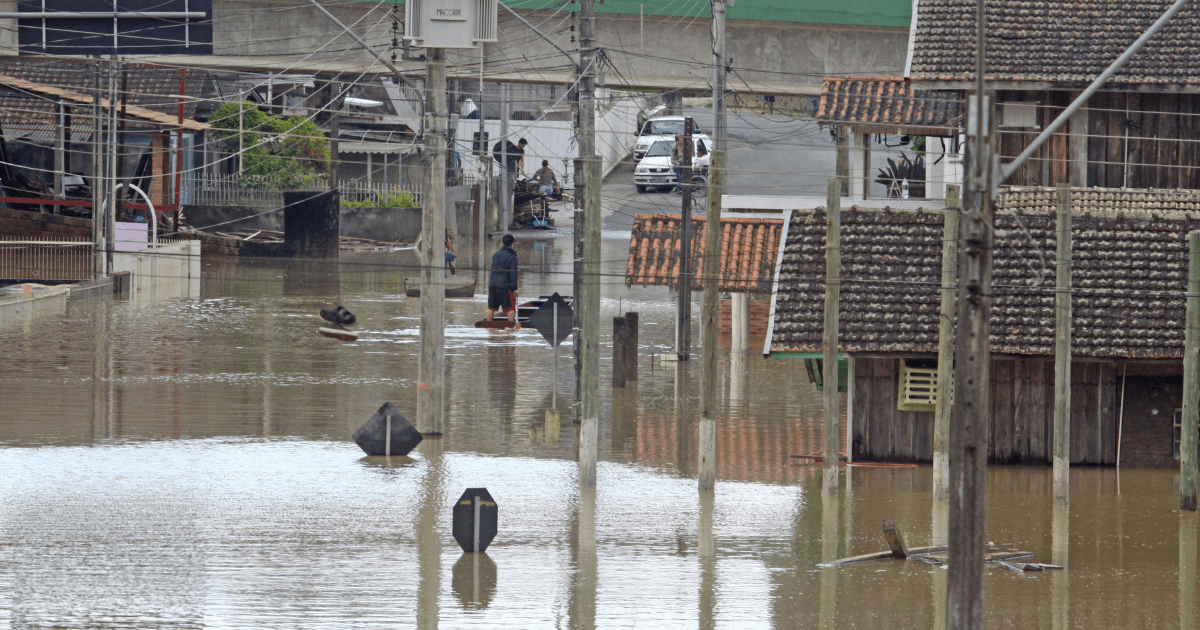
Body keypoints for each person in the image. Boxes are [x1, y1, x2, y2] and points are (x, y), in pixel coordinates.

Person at [487, 233, 520, 329]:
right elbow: (513, 274)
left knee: (491, 307)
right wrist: (515, 288)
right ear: (512, 244)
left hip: (492, 284)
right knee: (510, 308)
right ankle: (511, 328)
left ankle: (489, 327)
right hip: (505, 286)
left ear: (502, 243)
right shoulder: (512, 257)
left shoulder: (495, 254)